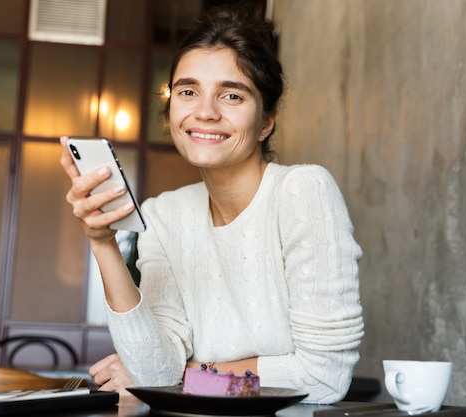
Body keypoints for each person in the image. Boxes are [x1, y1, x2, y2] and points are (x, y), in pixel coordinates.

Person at [60, 3, 363, 404]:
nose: (205, 111)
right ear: (171, 113)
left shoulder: (303, 191)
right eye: (188, 91)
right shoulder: (163, 215)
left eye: (232, 95)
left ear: (266, 122)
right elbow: (153, 372)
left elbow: (322, 378)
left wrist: (187, 378)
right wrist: (102, 244)